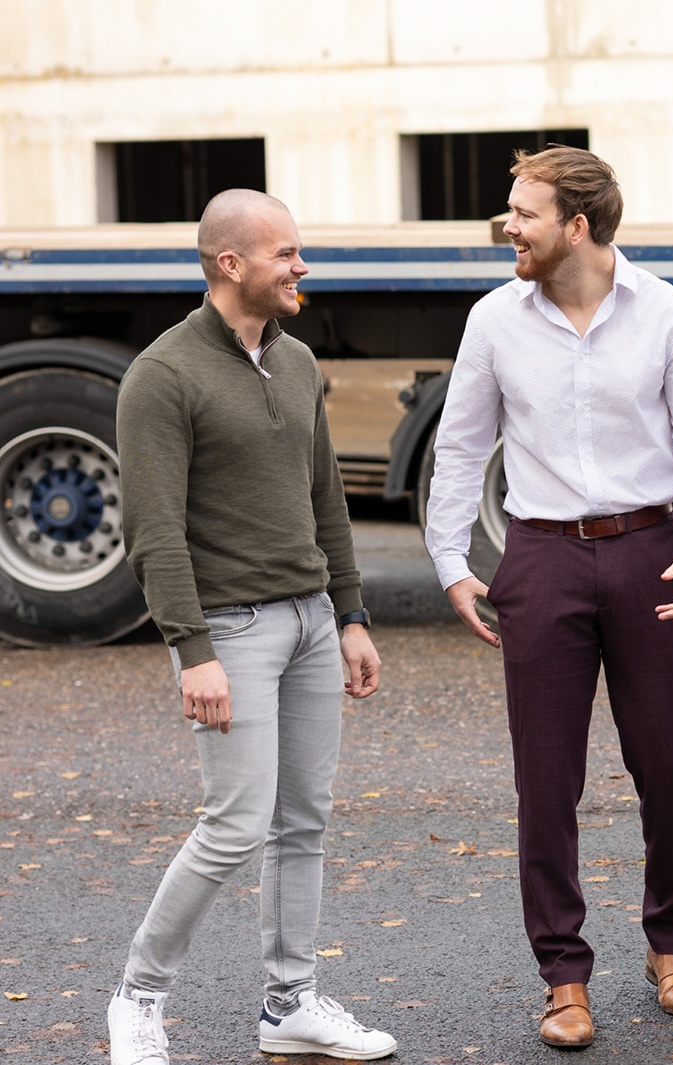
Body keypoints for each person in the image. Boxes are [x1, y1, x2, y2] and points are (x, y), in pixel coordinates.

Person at [424, 146, 673, 1049]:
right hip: (541, 556)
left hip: (650, 551)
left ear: (579, 225)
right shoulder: (494, 320)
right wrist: (450, 558)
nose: (508, 226)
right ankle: (563, 976)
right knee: (546, 776)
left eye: (525, 213)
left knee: (671, 762)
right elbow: (460, 445)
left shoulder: (671, 314)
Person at [109, 189, 396, 1064]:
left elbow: (325, 497)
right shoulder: (162, 375)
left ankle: (289, 1004)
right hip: (228, 631)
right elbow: (153, 529)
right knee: (234, 824)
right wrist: (190, 649)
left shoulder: (298, 361)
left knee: (303, 821)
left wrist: (350, 614)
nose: (301, 266)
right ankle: (137, 997)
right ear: (231, 264)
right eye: (285, 253)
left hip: (311, 620)